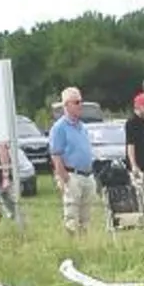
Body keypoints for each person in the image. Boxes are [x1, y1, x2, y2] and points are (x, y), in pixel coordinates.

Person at [48, 86, 98, 234]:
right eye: (76, 102)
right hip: (72, 175)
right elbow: (56, 154)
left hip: (87, 175)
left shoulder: (82, 127)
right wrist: (64, 177)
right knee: (72, 214)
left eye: (81, 101)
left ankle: (84, 241)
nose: (80, 105)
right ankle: (71, 241)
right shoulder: (59, 128)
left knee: (86, 216)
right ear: (66, 105)